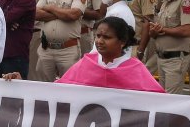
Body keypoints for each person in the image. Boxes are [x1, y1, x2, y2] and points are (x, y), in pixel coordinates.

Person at [10, 17, 164, 93]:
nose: (100, 41)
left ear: (122, 42)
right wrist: (22, 84)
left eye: (107, 37)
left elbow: (156, 100)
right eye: (98, 36)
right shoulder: (87, 63)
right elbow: (59, 90)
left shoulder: (135, 69)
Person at [35, 0, 88, 81]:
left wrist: (51, 8)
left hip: (68, 50)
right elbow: (36, 13)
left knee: (69, 85)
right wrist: (61, 14)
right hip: (46, 48)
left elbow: (74, 14)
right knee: (43, 85)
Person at [147, 0, 190, 95]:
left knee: (171, 99)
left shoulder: (185, 1)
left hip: (175, 59)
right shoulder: (164, 1)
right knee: (163, 97)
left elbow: (187, 31)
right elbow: (159, 30)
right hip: (161, 57)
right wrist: (154, 31)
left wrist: (163, 30)